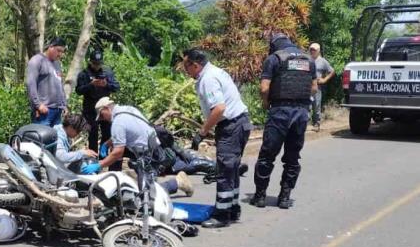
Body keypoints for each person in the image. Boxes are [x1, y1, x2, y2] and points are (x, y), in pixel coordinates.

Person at [182, 48, 252, 228]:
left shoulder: (208, 79)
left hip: (232, 125)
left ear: (195, 65)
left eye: (186, 65)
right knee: (232, 169)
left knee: (225, 170)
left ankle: (222, 215)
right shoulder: (215, 72)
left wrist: (202, 132)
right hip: (239, 123)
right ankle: (232, 208)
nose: (184, 69)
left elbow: (219, 108)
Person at [251, 32, 317, 209]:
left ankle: (259, 196)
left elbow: (264, 88)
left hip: (280, 111)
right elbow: (314, 88)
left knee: (267, 156)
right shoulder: (309, 60)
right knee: (292, 158)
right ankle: (285, 197)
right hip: (301, 113)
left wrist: (266, 104)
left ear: (273, 45)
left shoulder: (274, 59)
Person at [86, 97, 193, 196]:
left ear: (106, 108)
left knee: (147, 195)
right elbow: (130, 131)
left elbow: (118, 152)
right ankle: (146, 180)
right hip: (154, 147)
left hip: (148, 155)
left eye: (101, 115)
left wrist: (100, 165)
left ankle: (177, 182)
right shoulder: (128, 109)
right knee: (144, 183)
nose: (102, 119)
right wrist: (107, 143)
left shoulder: (118, 123)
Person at [75, 49, 120, 151]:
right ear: (90, 62)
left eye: (99, 63)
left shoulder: (107, 72)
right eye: (95, 63)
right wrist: (91, 85)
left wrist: (106, 85)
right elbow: (78, 91)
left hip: (105, 108)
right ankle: (93, 157)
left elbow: (116, 87)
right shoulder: (84, 74)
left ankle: (103, 156)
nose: (97, 66)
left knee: (107, 133)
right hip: (90, 109)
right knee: (93, 134)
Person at [26, 37, 67, 127]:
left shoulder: (57, 64)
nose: (60, 54)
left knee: (55, 139)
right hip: (44, 111)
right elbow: (30, 84)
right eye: (58, 50)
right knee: (41, 139)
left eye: (62, 52)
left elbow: (60, 85)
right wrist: (38, 105)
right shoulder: (37, 60)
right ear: (50, 47)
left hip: (57, 111)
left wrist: (64, 105)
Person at [308, 43, 334, 130]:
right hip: (306, 86)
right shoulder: (306, 59)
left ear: (318, 51)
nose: (312, 51)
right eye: (311, 49)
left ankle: (316, 124)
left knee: (316, 105)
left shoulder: (323, 61)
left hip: (317, 87)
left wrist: (325, 79)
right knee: (306, 105)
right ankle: (304, 123)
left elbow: (332, 71)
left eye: (314, 50)